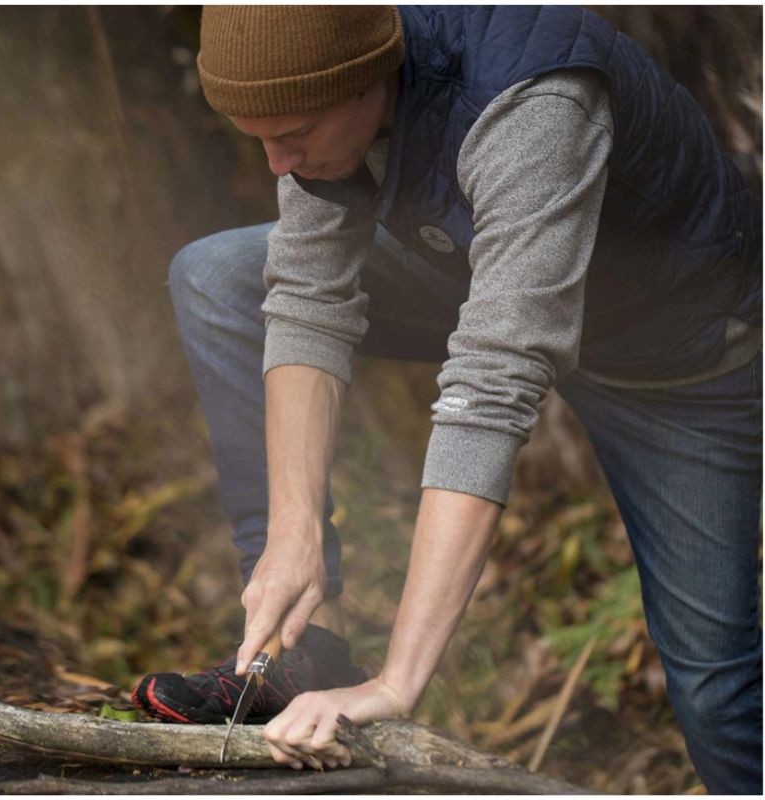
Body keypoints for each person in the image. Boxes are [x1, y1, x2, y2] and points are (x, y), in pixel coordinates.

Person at [132, 6, 762, 792]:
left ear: (368, 79)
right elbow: (307, 300)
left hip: (672, 362)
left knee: (713, 689)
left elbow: (492, 387)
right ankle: (296, 651)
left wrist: (397, 681)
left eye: (292, 132)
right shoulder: (326, 86)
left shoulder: (533, 105)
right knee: (216, 277)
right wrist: (292, 529)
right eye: (257, 135)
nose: (275, 161)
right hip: (491, 272)